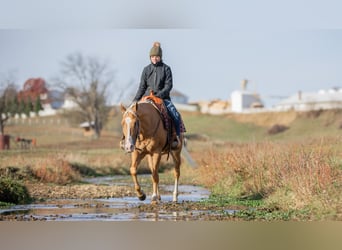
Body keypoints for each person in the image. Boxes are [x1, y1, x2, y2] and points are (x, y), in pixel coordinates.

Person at [133, 41, 182, 148]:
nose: (155, 58)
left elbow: (168, 86)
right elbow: (142, 87)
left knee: (176, 115)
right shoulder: (146, 70)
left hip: (163, 98)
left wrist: (159, 95)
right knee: (131, 117)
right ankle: (127, 140)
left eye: (157, 56)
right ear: (150, 57)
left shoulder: (166, 69)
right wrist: (135, 101)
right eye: (153, 56)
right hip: (147, 98)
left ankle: (176, 137)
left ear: (160, 57)